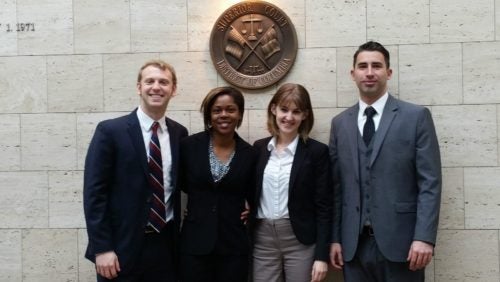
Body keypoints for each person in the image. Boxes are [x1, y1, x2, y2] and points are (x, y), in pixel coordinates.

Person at [328, 41, 442, 281]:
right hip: (353, 247)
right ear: (353, 73)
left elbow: (429, 183)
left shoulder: (416, 117)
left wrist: (424, 237)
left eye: (377, 66)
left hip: (403, 246)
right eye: (363, 66)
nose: (369, 72)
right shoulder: (340, 124)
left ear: (388, 72)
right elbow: (336, 188)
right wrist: (336, 238)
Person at [83, 60, 188, 281]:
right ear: (139, 87)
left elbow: (189, 182)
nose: (156, 87)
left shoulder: (180, 134)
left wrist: (237, 200)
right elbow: (94, 194)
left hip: (166, 248)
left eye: (164, 82)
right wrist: (102, 248)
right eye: (149, 81)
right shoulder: (110, 131)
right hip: (120, 249)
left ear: (173, 89)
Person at [252, 83, 332, 282]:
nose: (289, 117)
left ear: (305, 115)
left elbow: (325, 207)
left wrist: (321, 257)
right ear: (274, 109)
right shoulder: (259, 148)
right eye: (284, 109)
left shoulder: (317, 152)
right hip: (263, 239)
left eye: (296, 112)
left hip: (300, 240)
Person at [179, 86, 257, 282]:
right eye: (217, 110)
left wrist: (251, 209)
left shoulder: (251, 154)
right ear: (209, 115)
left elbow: (254, 191)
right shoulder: (188, 146)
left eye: (231, 109)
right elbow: (179, 183)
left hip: (234, 246)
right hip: (195, 245)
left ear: (239, 114)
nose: (224, 115)